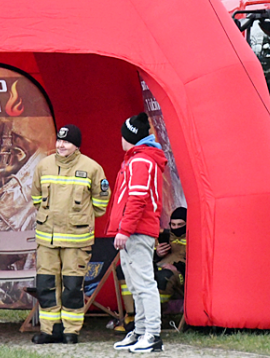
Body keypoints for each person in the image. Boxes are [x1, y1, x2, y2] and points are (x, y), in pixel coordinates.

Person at [30, 124, 110, 345]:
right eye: (59, 140)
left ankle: (71, 331)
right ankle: (49, 330)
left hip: (76, 239)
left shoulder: (92, 168)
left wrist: (80, 218)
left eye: (66, 142)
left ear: (77, 145)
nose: (61, 145)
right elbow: (36, 197)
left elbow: (101, 201)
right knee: (46, 285)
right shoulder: (44, 166)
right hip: (47, 238)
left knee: (72, 287)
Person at [108, 113, 167, 353]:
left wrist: (124, 229)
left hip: (137, 232)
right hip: (134, 231)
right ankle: (141, 331)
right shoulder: (138, 159)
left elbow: (137, 199)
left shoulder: (140, 161)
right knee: (135, 284)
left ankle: (152, 334)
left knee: (143, 283)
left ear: (129, 136)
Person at [154, 207, 187, 305]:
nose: (176, 228)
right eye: (173, 224)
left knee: (164, 277)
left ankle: (159, 314)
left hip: (181, 274)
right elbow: (150, 259)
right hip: (160, 268)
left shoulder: (195, 238)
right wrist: (157, 254)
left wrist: (177, 267)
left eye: (180, 224)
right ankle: (132, 314)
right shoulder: (164, 236)